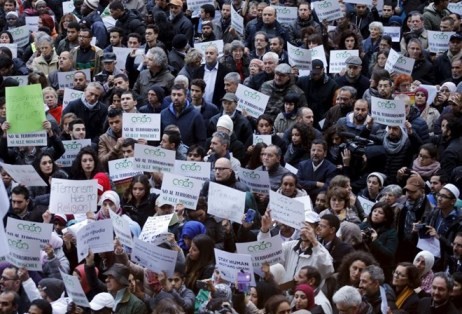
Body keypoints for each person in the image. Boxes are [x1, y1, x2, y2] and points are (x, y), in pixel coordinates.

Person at [258, 210, 334, 283]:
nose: (304, 230)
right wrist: (264, 230)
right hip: (286, 293)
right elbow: (268, 255)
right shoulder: (289, 246)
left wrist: (314, 241)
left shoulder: (321, 251)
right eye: (302, 226)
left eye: (308, 227)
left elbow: (327, 271)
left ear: (317, 230)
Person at [360, 202, 398, 282]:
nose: (376, 214)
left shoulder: (391, 233)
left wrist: (375, 241)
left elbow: (390, 254)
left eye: (380, 213)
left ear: (386, 218)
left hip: (380, 268)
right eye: (374, 211)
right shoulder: (363, 226)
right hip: (361, 264)